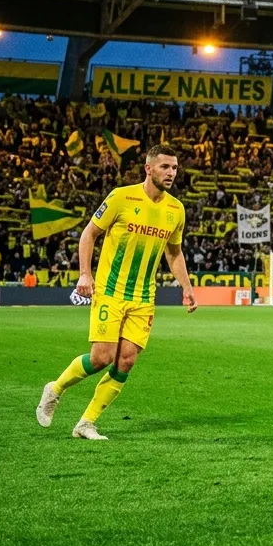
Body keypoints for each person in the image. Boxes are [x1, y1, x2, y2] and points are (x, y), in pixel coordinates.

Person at [35, 145, 196, 440]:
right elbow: (89, 233)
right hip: (110, 290)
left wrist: (186, 287)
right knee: (101, 357)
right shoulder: (121, 197)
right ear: (148, 169)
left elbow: (174, 253)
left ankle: (86, 423)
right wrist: (85, 273)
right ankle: (54, 389)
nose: (171, 172)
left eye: (174, 167)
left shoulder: (176, 209)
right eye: (165, 167)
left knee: (126, 360)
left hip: (144, 297)